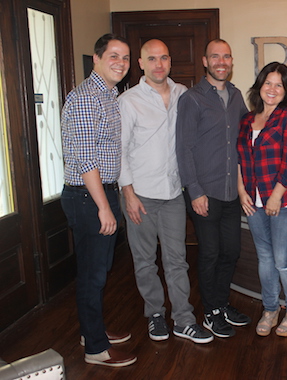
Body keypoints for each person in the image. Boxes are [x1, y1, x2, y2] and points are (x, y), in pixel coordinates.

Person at [118, 39, 213, 344]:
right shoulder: (128, 101)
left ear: (171, 62)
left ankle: (183, 319)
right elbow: (119, 151)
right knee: (145, 260)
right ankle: (155, 314)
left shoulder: (183, 95)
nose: (158, 64)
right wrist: (128, 193)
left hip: (173, 193)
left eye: (164, 58)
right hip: (140, 195)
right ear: (141, 64)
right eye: (152, 59)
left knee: (177, 260)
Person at [60, 33, 136, 367]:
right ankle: (95, 349)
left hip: (103, 192)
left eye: (126, 58)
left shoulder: (109, 94)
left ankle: (92, 331)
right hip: (88, 197)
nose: (121, 63)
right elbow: (87, 158)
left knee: (101, 269)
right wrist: (104, 206)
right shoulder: (86, 98)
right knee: (92, 275)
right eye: (114, 56)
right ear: (97, 58)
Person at [176, 39, 250, 339]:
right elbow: (183, 148)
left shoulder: (236, 95)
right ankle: (210, 312)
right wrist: (194, 191)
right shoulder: (192, 99)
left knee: (230, 252)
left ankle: (221, 304)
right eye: (215, 56)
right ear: (205, 61)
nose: (222, 61)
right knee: (209, 253)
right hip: (204, 192)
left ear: (231, 61)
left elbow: (247, 134)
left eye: (227, 56)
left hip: (232, 191)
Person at [237, 62, 287, 337]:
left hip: (282, 200)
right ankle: (270, 308)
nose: (272, 89)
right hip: (252, 200)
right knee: (264, 258)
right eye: (268, 83)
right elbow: (241, 160)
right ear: (259, 86)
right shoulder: (247, 119)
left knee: (282, 259)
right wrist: (242, 192)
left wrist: (276, 196)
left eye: (279, 84)